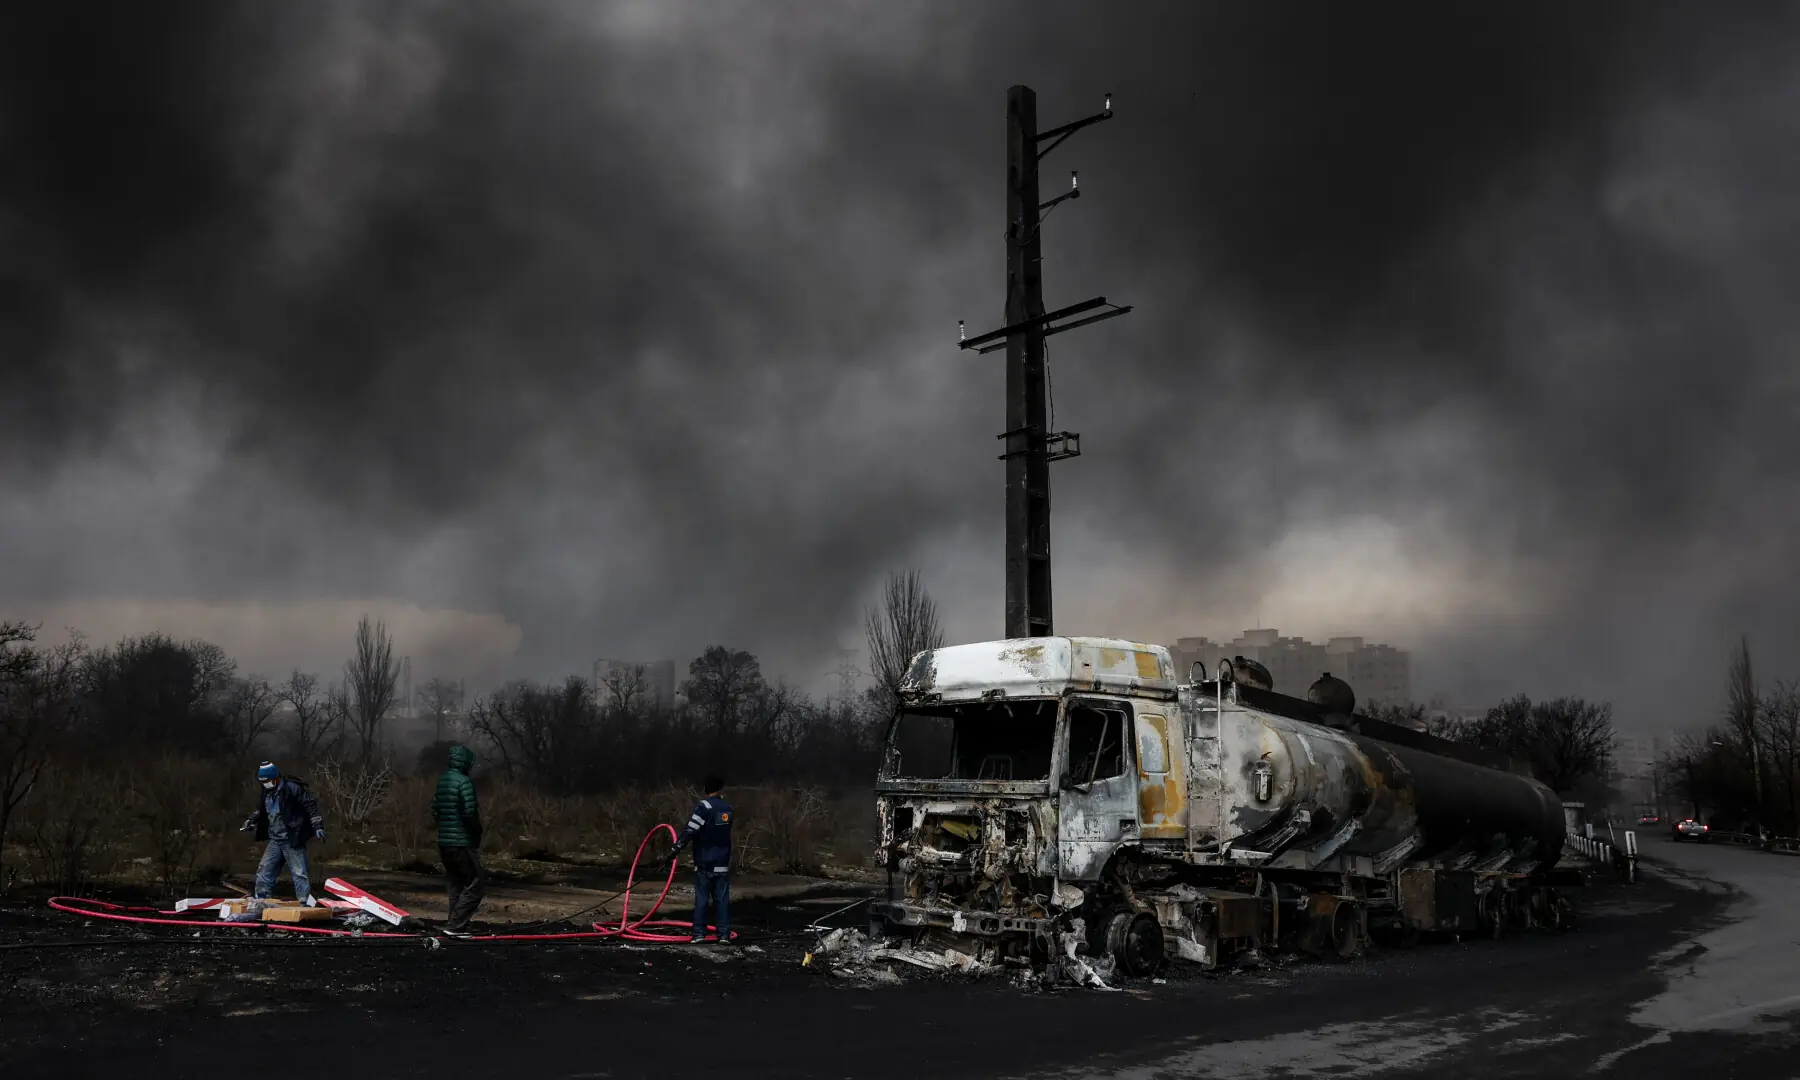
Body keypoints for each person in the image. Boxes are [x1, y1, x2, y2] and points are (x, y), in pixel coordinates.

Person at [240, 761, 326, 904]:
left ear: (276, 777)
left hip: (292, 838)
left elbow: (310, 806)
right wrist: (251, 820)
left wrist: (318, 826)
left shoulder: (292, 788)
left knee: (299, 873)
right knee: (264, 870)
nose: (265, 784)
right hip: (275, 839)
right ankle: (261, 900)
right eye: (263, 782)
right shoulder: (266, 791)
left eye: (267, 781)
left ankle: (303, 903)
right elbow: (260, 810)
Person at [669, 774, 733, 945]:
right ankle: (724, 935)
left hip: (704, 862)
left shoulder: (704, 808)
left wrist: (677, 848)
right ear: (720, 790)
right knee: (722, 901)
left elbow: (691, 830)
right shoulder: (727, 808)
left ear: (706, 790)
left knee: (702, 900)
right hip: (722, 863)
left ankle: (699, 934)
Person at [431, 743, 485, 937]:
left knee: (456, 883)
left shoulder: (442, 781)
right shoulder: (464, 782)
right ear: (466, 763)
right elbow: (470, 813)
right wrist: (476, 832)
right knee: (475, 885)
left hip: (444, 842)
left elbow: (435, 809)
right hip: (462, 841)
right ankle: (456, 926)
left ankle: (453, 924)